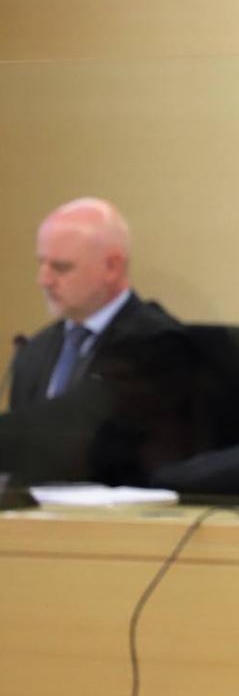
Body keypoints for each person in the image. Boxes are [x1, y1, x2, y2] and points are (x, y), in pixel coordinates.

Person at [2, 198, 202, 486]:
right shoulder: (36, 350)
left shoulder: (156, 344)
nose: (43, 280)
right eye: (41, 263)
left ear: (112, 267)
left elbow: (78, 427)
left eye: (60, 267)